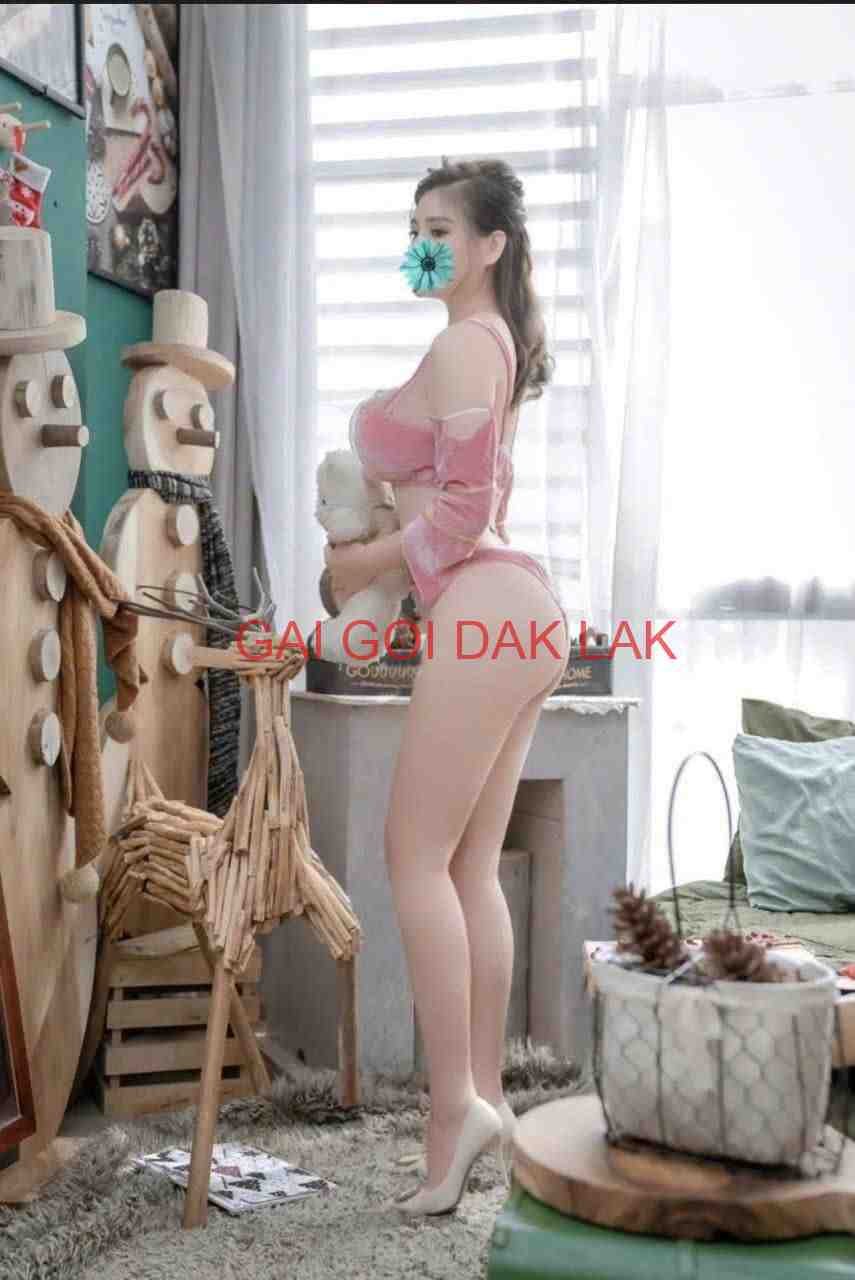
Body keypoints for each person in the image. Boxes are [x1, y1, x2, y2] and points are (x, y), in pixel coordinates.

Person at [324, 157, 570, 1215]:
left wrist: (360, 567)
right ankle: (486, 1101)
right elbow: (455, 493)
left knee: (414, 857)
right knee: (468, 864)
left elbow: (464, 511)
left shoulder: (468, 341)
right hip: (514, 612)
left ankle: (450, 1116)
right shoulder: (485, 341)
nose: (421, 246)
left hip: (486, 605)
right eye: (413, 228)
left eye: (439, 230)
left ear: (489, 245)